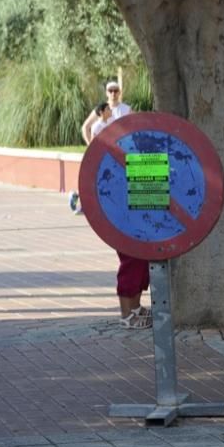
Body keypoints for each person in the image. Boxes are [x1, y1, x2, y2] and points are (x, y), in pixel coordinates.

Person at [78, 101, 152, 329]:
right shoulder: (112, 158)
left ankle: (136, 307)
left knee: (141, 265)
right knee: (131, 264)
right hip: (123, 220)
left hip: (141, 218)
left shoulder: (141, 156)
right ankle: (126, 314)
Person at [72, 82, 133, 212]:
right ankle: (81, 200)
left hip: (119, 153)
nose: (113, 94)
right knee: (94, 177)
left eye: (116, 91)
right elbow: (85, 127)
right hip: (102, 152)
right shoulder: (100, 109)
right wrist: (90, 146)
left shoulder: (126, 109)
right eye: (110, 91)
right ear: (106, 92)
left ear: (119, 92)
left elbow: (134, 128)